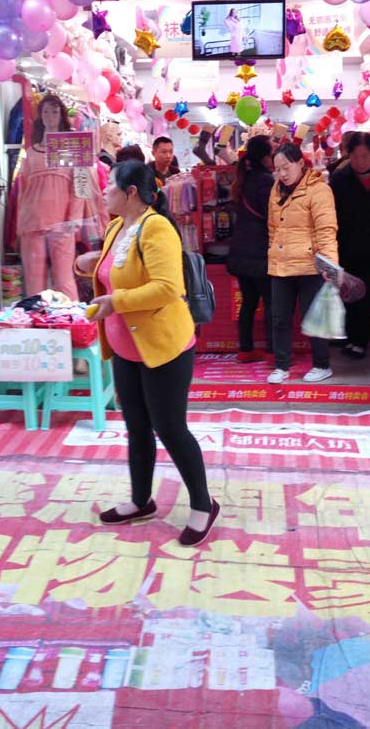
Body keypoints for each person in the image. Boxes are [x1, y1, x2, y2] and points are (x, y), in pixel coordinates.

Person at [75, 161, 219, 547]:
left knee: (170, 428)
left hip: (163, 347)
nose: (104, 192)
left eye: (110, 186)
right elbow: (115, 269)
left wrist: (116, 301)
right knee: (137, 427)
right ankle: (141, 501)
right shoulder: (117, 227)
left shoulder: (157, 228)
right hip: (127, 349)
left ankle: (203, 504)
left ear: (131, 192)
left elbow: (167, 288)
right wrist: (87, 264)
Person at [17, 94, 104, 301]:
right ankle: (35, 317)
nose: (50, 116)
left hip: (63, 225)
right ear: (40, 116)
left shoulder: (71, 148)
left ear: (62, 115)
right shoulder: (31, 153)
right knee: (34, 280)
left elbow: (79, 188)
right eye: (45, 111)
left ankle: (71, 317)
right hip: (32, 223)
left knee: (64, 279)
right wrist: (20, 224)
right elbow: (23, 191)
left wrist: (73, 220)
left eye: (55, 111)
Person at [267, 143, 338, 384]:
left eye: (286, 168)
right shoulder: (276, 190)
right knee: (279, 318)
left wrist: (329, 265)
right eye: (277, 169)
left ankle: (322, 365)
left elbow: (326, 230)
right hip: (281, 264)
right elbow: (272, 228)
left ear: (300, 163)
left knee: (314, 318)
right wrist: (272, 251)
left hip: (310, 266)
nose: (282, 174)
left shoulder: (319, 190)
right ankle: (281, 366)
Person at [330, 132, 370, 359]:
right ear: (348, 155)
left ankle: (361, 338)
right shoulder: (339, 179)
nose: (360, 161)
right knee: (347, 291)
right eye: (355, 156)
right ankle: (350, 335)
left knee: (367, 292)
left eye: (365, 156)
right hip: (347, 244)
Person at [226, 135, 274, 363]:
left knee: (248, 302)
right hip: (260, 253)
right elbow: (271, 215)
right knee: (272, 303)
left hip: (240, 252)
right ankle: (274, 352)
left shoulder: (243, 178)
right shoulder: (265, 181)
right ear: (265, 157)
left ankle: (245, 349)